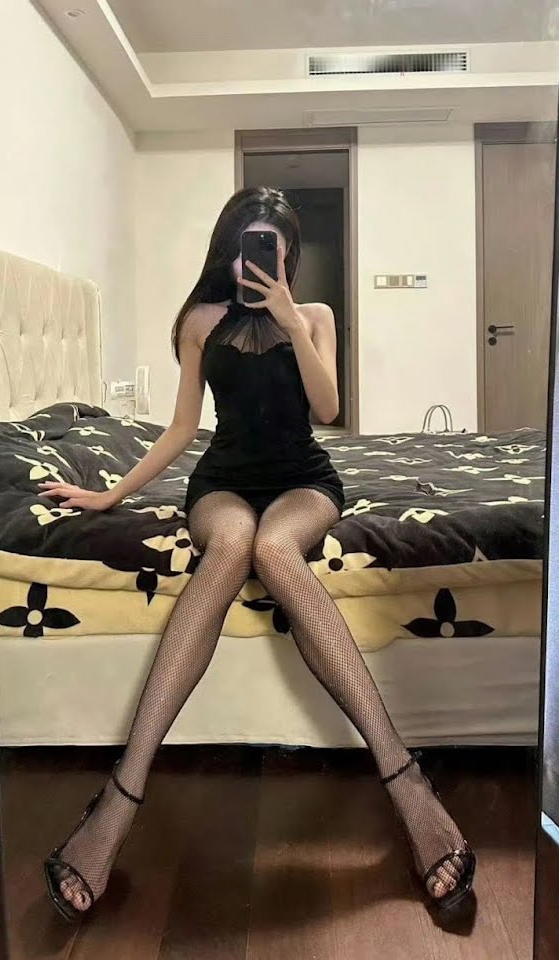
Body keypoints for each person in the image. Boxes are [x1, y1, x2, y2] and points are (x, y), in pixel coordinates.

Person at [41, 186, 475, 923]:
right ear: (229, 248)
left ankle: (406, 781)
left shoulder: (315, 316)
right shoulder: (198, 322)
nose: (261, 259)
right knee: (235, 543)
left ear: (288, 254)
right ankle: (119, 798)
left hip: (303, 480)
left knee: (275, 547)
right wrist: (109, 494)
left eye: (275, 246)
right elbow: (182, 427)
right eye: (251, 244)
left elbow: (329, 409)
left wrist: (291, 322)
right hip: (224, 484)